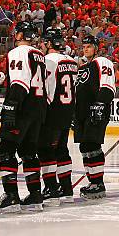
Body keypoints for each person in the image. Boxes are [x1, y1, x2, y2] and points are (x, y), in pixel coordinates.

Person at [0, 21, 47, 213]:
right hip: (38, 109)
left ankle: (11, 195)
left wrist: (10, 107)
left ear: (21, 35)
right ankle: (35, 194)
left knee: (6, 149)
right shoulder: (39, 54)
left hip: (22, 108)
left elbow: (20, 82)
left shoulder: (18, 52)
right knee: (29, 152)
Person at [39, 28, 77, 205]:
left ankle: (51, 189)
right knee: (62, 149)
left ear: (48, 43)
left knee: (47, 150)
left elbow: (48, 89)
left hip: (53, 111)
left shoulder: (48, 60)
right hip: (67, 110)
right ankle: (66, 188)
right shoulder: (71, 61)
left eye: (43, 42)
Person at [74, 35, 116, 199]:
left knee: (93, 145)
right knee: (84, 147)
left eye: (89, 46)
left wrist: (100, 104)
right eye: (84, 46)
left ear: (96, 47)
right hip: (83, 112)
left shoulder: (102, 62)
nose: (86, 48)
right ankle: (92, 181)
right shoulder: (84, 66)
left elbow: (108, 85)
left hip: (96, 110)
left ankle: (98, 183)